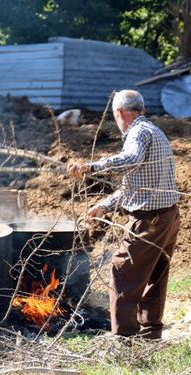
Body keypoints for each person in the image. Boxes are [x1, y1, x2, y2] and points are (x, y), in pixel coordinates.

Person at [67, 90, 180, 339]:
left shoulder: (138, 133)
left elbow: (130, 158)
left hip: (148, 221)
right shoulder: (153, 131)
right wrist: (104, 206)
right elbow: (132, 187)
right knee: (154, 278)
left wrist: (92, 166)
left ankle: (124, 340)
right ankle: (150, 334)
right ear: (142, 109)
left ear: (119, 113)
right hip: (168, 218)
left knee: (121, 273)